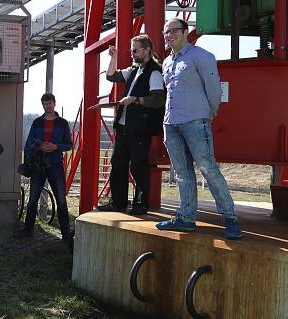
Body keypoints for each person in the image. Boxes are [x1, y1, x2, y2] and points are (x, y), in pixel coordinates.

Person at [156, 18, 242, 239]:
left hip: (195, 121)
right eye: (166, 32)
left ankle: (230, 218)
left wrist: (211, 113)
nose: (169, 35)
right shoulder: (166, 62)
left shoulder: (202, 57)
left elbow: (214, 90)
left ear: (186, 33)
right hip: (171, 123)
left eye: (174, 31)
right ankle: (186, 218)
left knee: (208, 169)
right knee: (182, 173)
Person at [97, 35, 165, 215]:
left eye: (135, 50)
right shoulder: (134, 70)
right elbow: (111, 76)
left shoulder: (155, 72)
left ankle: (141, 204)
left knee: (138, 166)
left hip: (140, 128)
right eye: (131, 50)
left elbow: (158, 99)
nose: (132, 53)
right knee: (118, 164)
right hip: (124, 127)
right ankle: (118, 202)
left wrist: (135, 99)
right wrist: (113, 58)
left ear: (147, 50)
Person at [19, 93, 74, 253]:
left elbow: (68, 144)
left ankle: (66, 234)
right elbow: (29, 142)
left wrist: (56, 146)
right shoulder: (37, 122)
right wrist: (39, 146)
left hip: (55, 164)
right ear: (42, 105)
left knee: (61, 199)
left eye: (49, 103)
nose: (47, 106)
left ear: (54, 104)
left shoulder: (62, 123)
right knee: (33, 198)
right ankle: (28, 231)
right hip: (38, 164)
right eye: (44, 104)